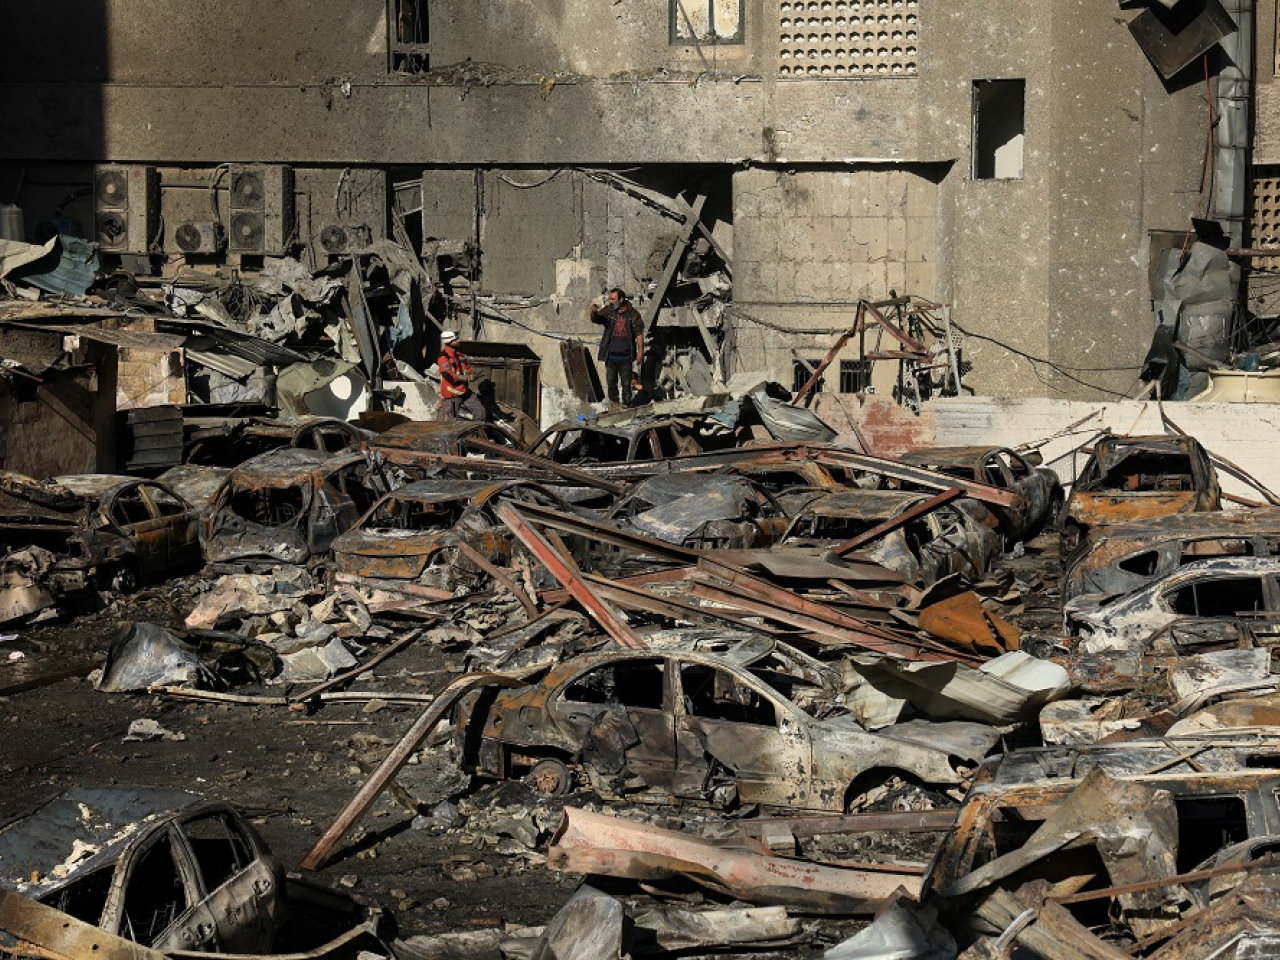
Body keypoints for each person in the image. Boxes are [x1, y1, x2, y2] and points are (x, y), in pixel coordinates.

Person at [590, 288, 644, 405]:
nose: (610, 301)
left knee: (626, 384)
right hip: (610, 356)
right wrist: (594, 312)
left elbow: (639, 333)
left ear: (621, 299)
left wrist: (640, 352)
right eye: (610, 299)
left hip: (626, 356)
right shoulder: (609, 311)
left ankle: (627, 405)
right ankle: (614, 405)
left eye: (613, 299)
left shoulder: (633, 314)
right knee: (611, 383)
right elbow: (598, 319)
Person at [437, 330, 486, 420]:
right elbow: (448, 376)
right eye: (455, 340)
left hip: (464, 391)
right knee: (451, 422)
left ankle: (476, 433)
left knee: (481, 412)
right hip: (451, 395)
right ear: (448, 342)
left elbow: (467, 368)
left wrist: (473, 374)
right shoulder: (443, 357)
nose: (458, 341)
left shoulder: (460, 355)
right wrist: (466, 378)